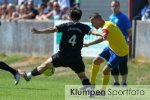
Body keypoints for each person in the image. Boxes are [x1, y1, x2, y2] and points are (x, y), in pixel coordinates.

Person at [18, 7, 101, 88]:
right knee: (82, 76)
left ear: (70, 16)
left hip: (62, 56)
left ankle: (28, 76)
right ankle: (90, 91)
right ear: (80, 17)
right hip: (76, 58)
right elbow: (93, 31)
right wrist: (101, 34)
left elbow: (52, 29)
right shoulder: (84, 27)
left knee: (44, 65)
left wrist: (38, 32)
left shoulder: (66, 25)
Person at [84, 13, 128, 91]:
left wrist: (103, 35)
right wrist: (89, 43)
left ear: (98, 20)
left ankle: (102, 91)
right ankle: (92, 85)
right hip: (111, 48)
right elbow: (103, 37)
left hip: (120, 53)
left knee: (105, 71)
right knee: (96, 61)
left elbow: (104, 33)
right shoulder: (107, 24)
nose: (92, 25)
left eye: (93, 22)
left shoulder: (107, 26)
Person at [109, 0, 132, 86]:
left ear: (119, 6)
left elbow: (129, 31)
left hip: (122, 45)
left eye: (116, 6)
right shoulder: (111, 17)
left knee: (122, 64)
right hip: (113, 45)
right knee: (113, 63)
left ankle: (124, 82)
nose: (114, 8)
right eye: (113, 6)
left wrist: (126, 39)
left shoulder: (123, 17)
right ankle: (116, 82)